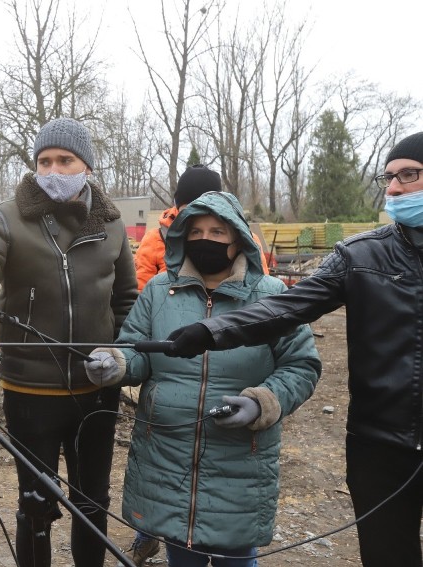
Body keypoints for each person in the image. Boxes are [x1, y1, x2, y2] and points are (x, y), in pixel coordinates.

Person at [165, 130, 423, 567]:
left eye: (409, 176)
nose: (394, 189)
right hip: (381, 445)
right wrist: (210, 332)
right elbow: (284, 308)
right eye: (389, 178)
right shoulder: (361, 256)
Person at [0, 117, 138, 566]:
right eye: (44, 160)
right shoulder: (7, 218)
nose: (53, 169)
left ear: (86, 166)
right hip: (30, 391)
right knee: (36, 503)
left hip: (97, 391)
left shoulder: (112, 225)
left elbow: (126, 299)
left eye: (65, 160)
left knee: (92, 501)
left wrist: (123, 354)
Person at [85, 191, 321, 567]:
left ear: (237, 238)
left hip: (241, 460)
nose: (205, 240)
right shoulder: (160, 291)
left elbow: (302, 366)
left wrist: (263, 401)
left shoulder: (272, 297)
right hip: (166, 454)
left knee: (237, 558)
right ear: (181, 237)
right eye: (195, 232)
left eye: (217, 231)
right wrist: (116, 362)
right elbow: (137, 349)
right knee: (182, 553)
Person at [134, 164, 270, 292]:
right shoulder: (155, 239)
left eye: (203, 211)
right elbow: (141, 291)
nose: (194, 218)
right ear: (177, 207)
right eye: (187, 210)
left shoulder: (247, 240)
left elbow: (259, 285)